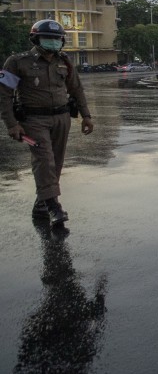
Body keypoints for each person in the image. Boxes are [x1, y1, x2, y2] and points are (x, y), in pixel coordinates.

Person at [1, 20, 95, 224]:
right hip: (34, 120)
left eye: (56, 39)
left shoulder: (64, 61)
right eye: (48, 39)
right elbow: (4, 95)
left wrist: (86, 116)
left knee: (57, 162)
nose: (53, 43)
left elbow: (76, 89)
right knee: (44, 160)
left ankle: (41, 204)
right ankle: (54, 206)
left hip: (61, 118)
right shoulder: (17, 62)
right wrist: (11, 124)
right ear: (35, 39)